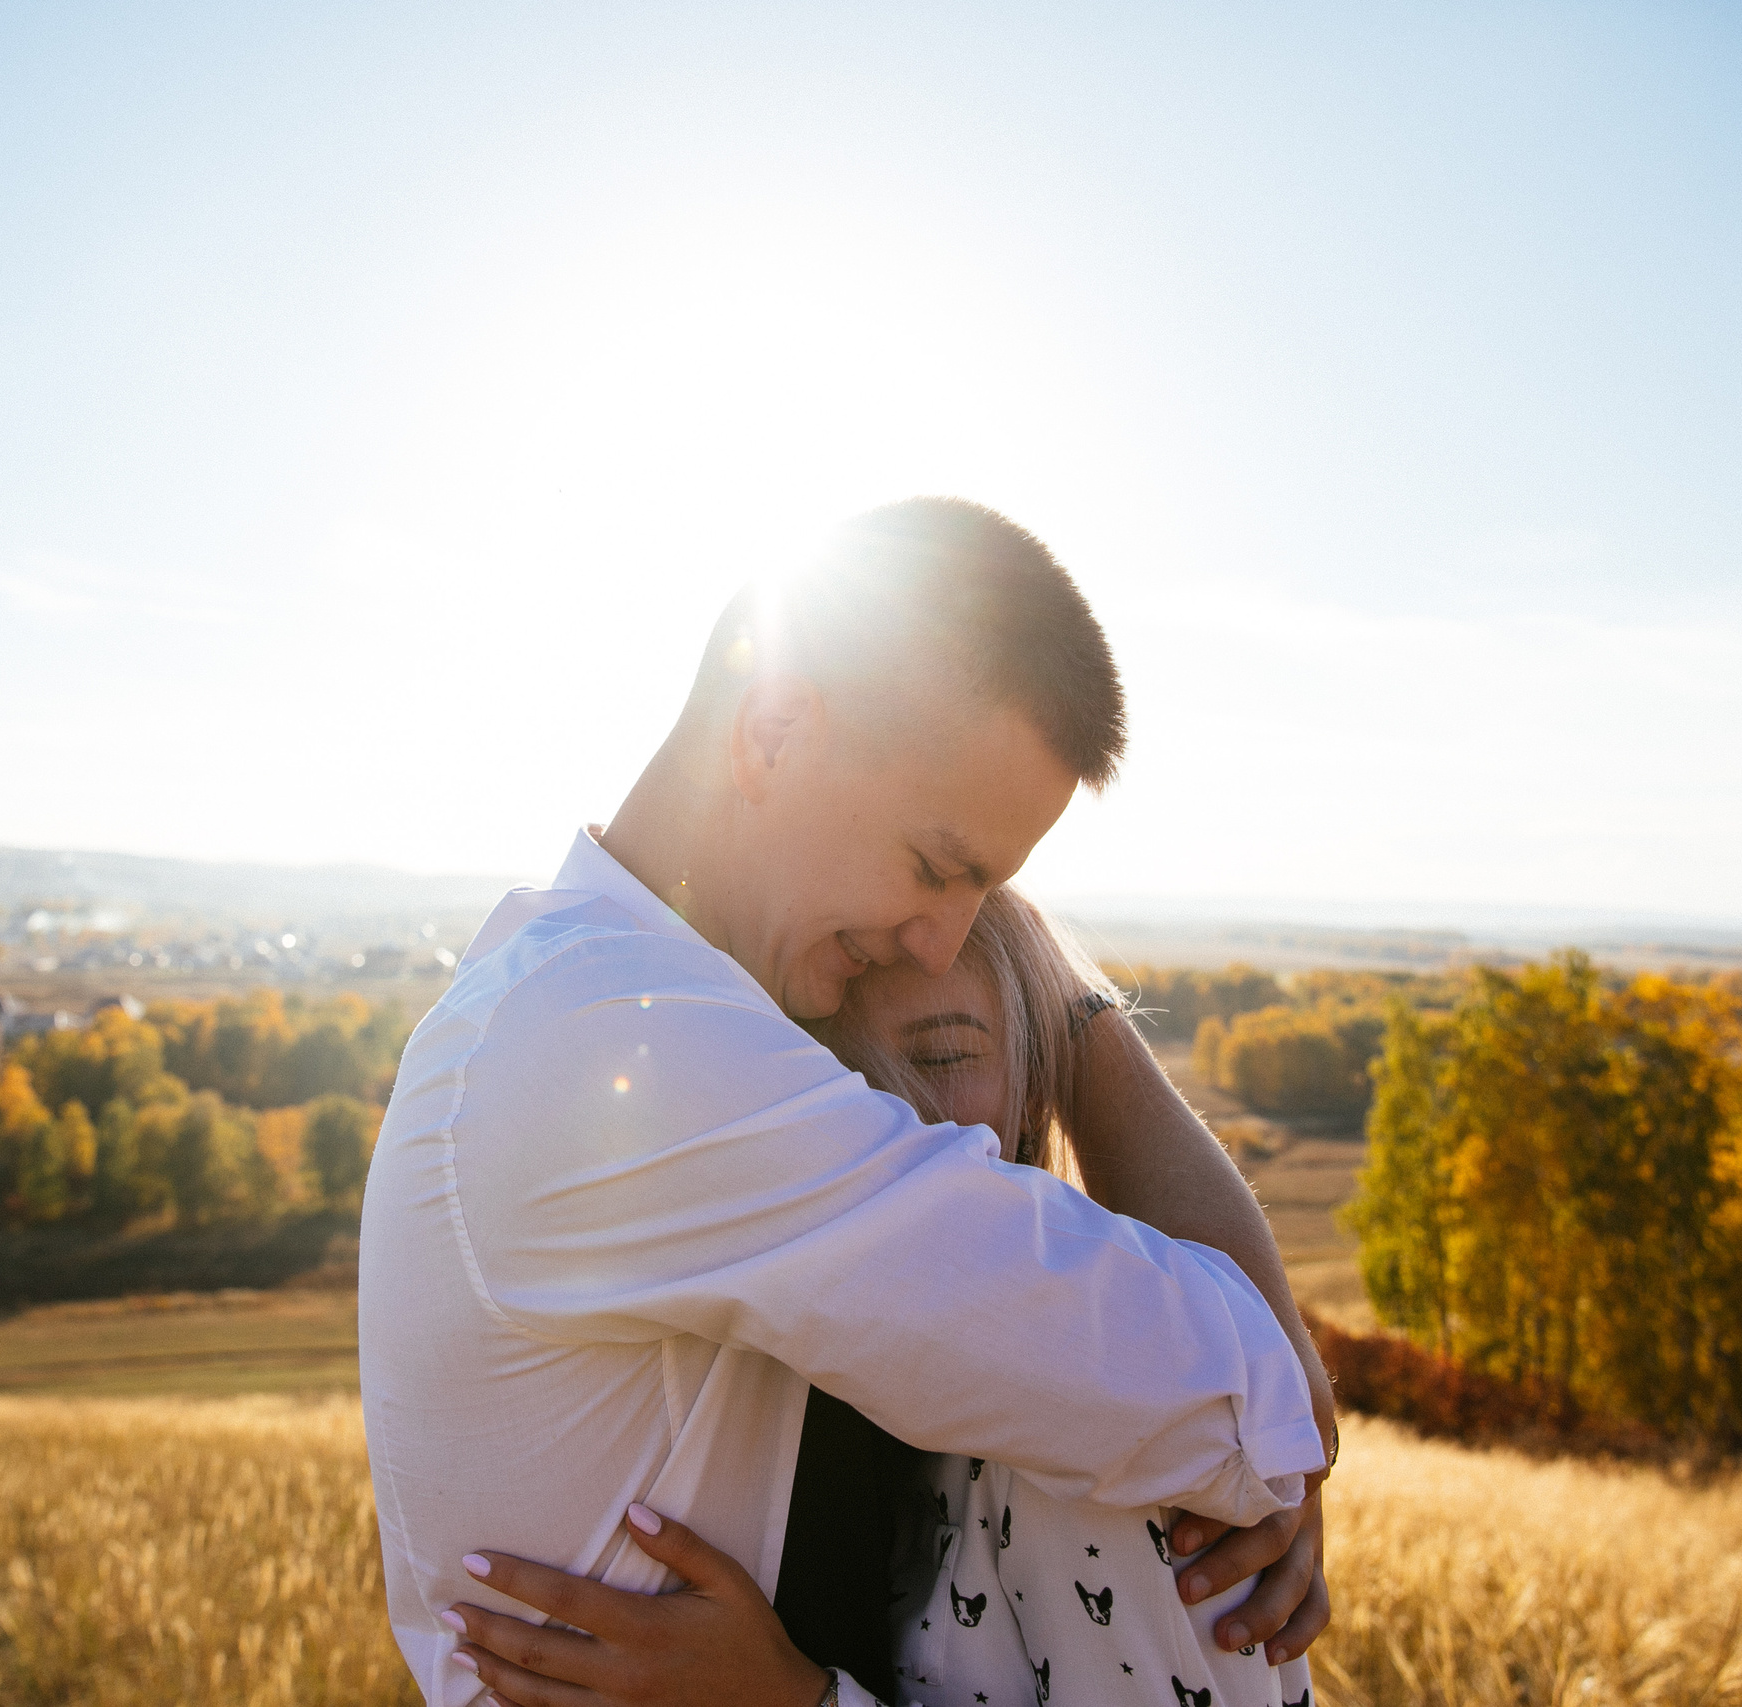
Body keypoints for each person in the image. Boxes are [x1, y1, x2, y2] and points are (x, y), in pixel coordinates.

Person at [361, 499, 1337, 1707]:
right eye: (935, 867)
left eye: (988, 900)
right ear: (770, 733)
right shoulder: (617, 1043)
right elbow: (1236, 1397)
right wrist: (1074, 1015)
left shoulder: (563, 999)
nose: (943, 944)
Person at [818, 886, 1323, 1707]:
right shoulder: (821, 1359)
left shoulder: (1100, 1412)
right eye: (837, 1073)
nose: (895, 1108)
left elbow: (1284, 1414)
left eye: (943, 1057)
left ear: (1033, 1091)